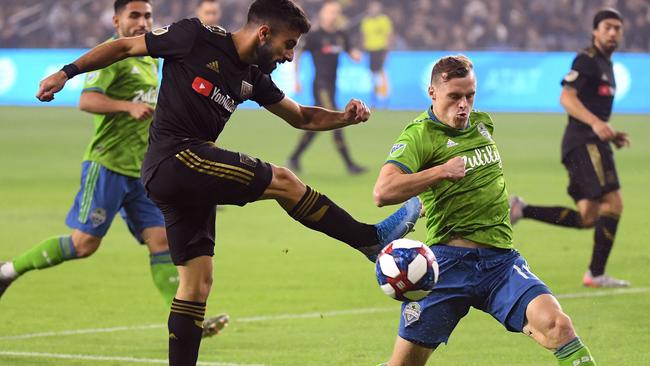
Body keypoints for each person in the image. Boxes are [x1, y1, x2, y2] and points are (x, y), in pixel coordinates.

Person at [35, 1, 421, 365]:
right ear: (264, 33)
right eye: (288, 45)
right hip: (175, 158)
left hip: (187, 178)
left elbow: (301, 116)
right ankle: (369, 239)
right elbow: (122, 47)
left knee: (196, 285)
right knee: (283, 180)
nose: (289, 55)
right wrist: (64, 74)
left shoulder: (254, 75)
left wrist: (345, 117)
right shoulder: (194, 36)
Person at [0, 0, 228, 339]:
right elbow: (87, 100)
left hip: (142, 172)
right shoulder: (112, 55)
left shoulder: (150, 59)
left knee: (161, 241)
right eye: (134, 16)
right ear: (116, 20)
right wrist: (127, 107)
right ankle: (6, 271)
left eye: (148, 16)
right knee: (83, 245)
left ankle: (185, 321)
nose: (142, 22)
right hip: (107, 164)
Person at [372, 55, 597, 366]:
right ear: (433, 93)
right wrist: (440, 172)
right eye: (454, 97)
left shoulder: (482, 123)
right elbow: (383, 191)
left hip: (501, 263)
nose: (463, 105)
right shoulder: (419, 135)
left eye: (470, 95)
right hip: (447, 267)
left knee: (558, 326)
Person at [510, 8, 629, 288]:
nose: (612, 33)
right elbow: (566, 97)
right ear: (595, 32)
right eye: (607, 27)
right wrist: (597, 124)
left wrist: (609, 134)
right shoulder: (587, 61)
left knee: (589, 217)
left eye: (617, 28)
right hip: (584, 142)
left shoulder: (606, 65)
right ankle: (596, 274)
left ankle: (522, 209)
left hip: (585, 144)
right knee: (613, 203)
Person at [287, 0, 367, 175]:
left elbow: (350, 51)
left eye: (337, 12)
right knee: (338, 117)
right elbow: (297, 54)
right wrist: (296, 79)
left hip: (331, 86)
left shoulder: (340, 34)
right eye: (331, 11)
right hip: (320, 85)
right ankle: (350, 164)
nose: (335, 15)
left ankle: (294, 157)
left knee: (318, 123)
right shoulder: (315, 35)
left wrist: (355, 55)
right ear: (323, 14)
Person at [360, 1, 393, 107]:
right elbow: (363, 36)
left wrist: (387, 51)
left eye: (376, 7)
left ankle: (383, 98)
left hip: (381, 49)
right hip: (370, 50)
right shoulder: (366, 21)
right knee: (373, 75)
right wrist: (363, 49)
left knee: (381, 74)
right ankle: (375, 99)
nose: (374, 9)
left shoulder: (384, 20)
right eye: (372, 7)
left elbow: (389, 35)